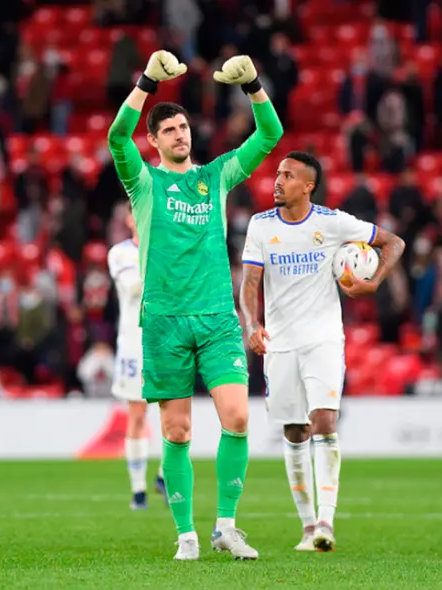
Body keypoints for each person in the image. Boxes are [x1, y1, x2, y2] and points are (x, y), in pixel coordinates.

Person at [107, 49, 283, 560]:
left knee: (237, 418)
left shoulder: (218, 176)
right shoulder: (143, 182)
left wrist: (253, 86)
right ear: (156, 141)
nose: (181, 134)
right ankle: (185, 532)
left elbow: (269, 136)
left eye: (184, 127)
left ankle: (225, 525)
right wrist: (144, 83)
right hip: (162, 321)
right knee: (177, 430)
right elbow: (118, 137)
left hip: (216, 319)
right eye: (170, 130)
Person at [239, 152, 405, 552]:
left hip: (324, 339)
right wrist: (251, 323)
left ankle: (327, 522)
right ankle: (307, 526)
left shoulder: (332, 223)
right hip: (280, 342)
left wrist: (374, 282)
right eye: (277, 174)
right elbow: (249, 283)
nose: (278, 181)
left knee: (324, 422)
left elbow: (393, 243)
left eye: (288, 175)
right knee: (294, 431)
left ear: (308, 186)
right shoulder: (260, 227)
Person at [107, 208, 166, 509]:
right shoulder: (120, 253)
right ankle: (139, 490)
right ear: (130, 219)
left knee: (174, 410)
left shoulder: (166, 247)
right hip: (133, 342)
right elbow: (134, 289)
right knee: (138, 413)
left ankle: (164, 476)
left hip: (168, 339)